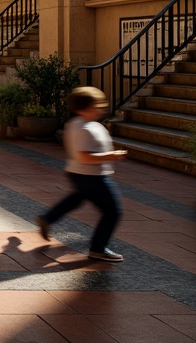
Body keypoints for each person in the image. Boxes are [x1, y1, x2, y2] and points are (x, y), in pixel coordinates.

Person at [37, 86, 128, 262]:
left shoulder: (80, 124)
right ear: (84, 108)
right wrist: (112, 156)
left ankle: (48, 218)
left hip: (81, 173)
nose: (101, 107)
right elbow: (83, 157)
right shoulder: (82, 128)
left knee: (77, 198)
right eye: (97, 105)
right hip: (91, 176)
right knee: (113, 211)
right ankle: (98, 248)